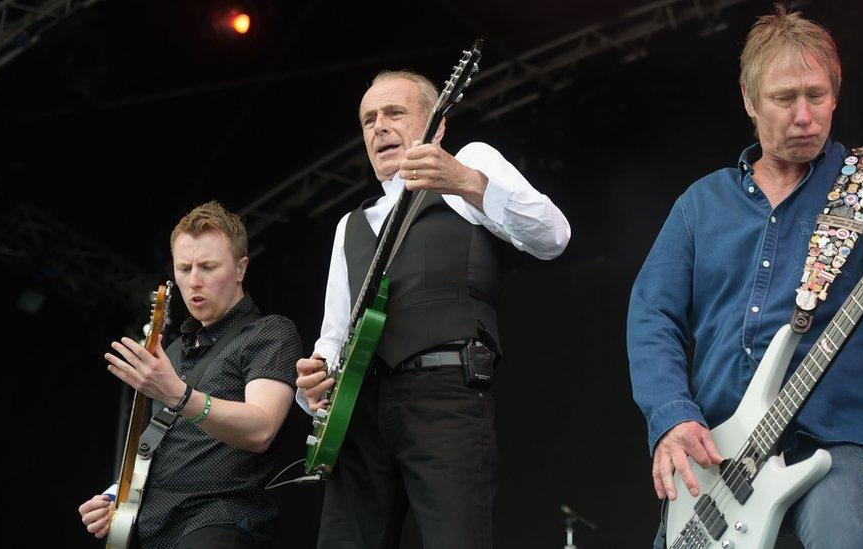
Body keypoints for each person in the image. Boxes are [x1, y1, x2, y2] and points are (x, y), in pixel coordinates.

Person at [627, 7, 863, 549]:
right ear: (749, 99)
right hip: (718, 452)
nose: (804, 116)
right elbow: (652, 315)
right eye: (785, 99)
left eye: (817, 95)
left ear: (837, 93)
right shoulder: (701, 205)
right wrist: (671, 417)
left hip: (832, 441)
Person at [295, 70, 571, 549]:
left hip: (444, 394)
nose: (378, 127)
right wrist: (314, 383)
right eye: (368, 120)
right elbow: (333, 337)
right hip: (359, 412)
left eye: (394, 113)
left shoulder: (469, 164)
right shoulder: (349, 226)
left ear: (437, 126)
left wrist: (466, 181)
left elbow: (552, 236)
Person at [77, 201, 302, 548]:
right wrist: (115, 498)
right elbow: (161, 445)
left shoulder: (269, 333)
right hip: (152, 527)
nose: (194, 280)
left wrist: (179, 396)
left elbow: (261, 429)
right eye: (184, 268)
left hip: (221, 520)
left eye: (209, 266)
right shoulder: (173, 353)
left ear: (241, 268)